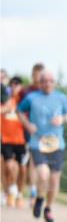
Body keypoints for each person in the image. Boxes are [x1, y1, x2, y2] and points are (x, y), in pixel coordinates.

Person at [17, 71, 67, 222]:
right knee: (43, 174)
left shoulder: (61, 97)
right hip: (38, 142)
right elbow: (19, 111)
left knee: (54, 180)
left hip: (57, 144)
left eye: (51, 81)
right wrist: (28, 125)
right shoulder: (32, 97)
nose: (48, 83)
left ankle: (48, 208)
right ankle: (39, 197)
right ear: (40, 83)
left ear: (54, 82)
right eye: (45, 81)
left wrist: (62, 118)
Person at [1, 76, 28, 207]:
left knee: (22, 168)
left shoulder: (24, 102)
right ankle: (12, 191)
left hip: (21, 140)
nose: (14, 86)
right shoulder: (4, 102)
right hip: (6, 140)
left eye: (16, 84)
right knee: (10, 166)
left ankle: (19, 194)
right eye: (11, 84)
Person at [23, 63, 46, 203]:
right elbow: (21, 110)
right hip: (31, 130)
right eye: (37, 74)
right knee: (33, 160)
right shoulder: (27, 92)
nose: (39, 77)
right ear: (32, 75)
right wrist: (28, 124)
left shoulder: (48, 90)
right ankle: (32, 191)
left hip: (47, 131)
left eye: (41, 74)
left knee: (44, 164)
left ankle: (39, 192)